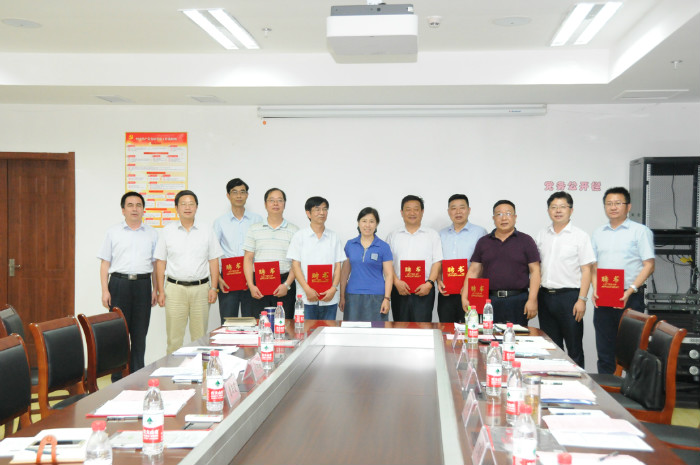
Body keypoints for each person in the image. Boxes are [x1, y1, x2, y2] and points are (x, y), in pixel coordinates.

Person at [591, 186, 655, 374]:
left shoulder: (640, 231)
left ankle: (630, 390)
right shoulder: (598, 233)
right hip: (604, 298)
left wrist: (630, 290)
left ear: (628, 206)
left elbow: (649, 265)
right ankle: (607, 389)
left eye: (618, 203)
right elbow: (594, 266)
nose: (613, 207)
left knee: (632, 352)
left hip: (630, 297)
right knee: (605, 351)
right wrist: (595, 288)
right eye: (609, 203)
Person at [98, 191, 158, 373]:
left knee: (140, 334)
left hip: (143, 285)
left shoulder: (152, 234)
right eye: (130, 205)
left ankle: (137, 373)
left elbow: (155, 265)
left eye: (138, 205)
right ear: (123, 210)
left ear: (143, 209)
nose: (134, 209)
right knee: (119, 333)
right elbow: (105, 263)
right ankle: (117, 376)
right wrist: (105, 290)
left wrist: (155, 289)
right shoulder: (112, 232)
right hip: (118, 284)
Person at [155, 190, 222, 354]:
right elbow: (161, 262)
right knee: (174, 338)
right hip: (174, 289)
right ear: (176, 208)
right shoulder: (167, 231)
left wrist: (214, 288)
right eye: (183, 204)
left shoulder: (207, 230)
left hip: (201, 289)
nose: (187, 207)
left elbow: (214, 260)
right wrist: (161, 291)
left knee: (199, 337)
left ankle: (199, 368)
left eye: (191, 204)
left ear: (196, 207)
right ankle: (172, 368)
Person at [535, 191, 595, 367]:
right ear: (548, 210)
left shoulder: (580, 236)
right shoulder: (542, 235)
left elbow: (587, 270)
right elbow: (536, 267)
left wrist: (582, 299)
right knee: (550, 347)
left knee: (574, 348)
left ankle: (579, 382)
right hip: (545, 297)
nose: (558, 210)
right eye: (553, 207)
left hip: (569, 298)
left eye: (562, 207)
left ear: (571, 210)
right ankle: (553, 380)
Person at [461, 200, 540, 327]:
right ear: (493, 218)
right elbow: (474, 271)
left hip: (518, 300)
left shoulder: (526, 240)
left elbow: (535, 271)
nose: (503, 218)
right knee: (489, 336)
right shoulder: (483, 242)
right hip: (489, 301)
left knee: (517, 336)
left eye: (508, 213)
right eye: (499, 214)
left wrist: (532, 299)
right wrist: (465, 296)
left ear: (515, 217)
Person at [242, 188, 299, 318]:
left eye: (279, 200)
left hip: (284, 283)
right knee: (260, 323)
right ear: (265, 204)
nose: (275, 203)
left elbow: (296, 262)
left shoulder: (294, 230)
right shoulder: (254, 229)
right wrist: (251, 285)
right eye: (271, 200)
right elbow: (248, 259)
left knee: (285, 325)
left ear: (284, 204)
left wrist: (287, 285)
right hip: (259, 284)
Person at [287, 196, 346, 320]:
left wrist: (333, 288)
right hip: (305, 297)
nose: (322, 212)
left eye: (325, 209)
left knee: (328, 331)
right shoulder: (299, 236)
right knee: (305, 331)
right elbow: (295, 266)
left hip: (329, 298)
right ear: (308, 213)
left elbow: (338, 266)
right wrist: (307, 289)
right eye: (317, 209)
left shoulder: (334, 236)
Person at [213, 178, 263, 323]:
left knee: (253, 321)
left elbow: (262, 248)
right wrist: (218, 278)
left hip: (252, 278)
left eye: (242, 192)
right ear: (228, 196)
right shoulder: (220, 222)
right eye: (234, 192)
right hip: (228, 278)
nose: (239, 195)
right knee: (228, 321)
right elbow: (213, 252)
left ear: (247, 195)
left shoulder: (257, 220)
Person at [386, 195, 442, 322]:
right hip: (399, 289)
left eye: (416, 209)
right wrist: (396, 282)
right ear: (402, 212)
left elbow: (437, 262)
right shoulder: (393, 236)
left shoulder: (432, 235)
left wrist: (429, 283)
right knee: (400, 327)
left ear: (422, 212)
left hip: (425, 290)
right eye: (408, 209)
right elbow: (388, 264)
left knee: (423, 328)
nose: (412, 213)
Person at [437, 194, 487, 323]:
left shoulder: (480, 232)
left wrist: (472, 284)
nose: (458, 212)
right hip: (447, 292)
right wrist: (438, 280)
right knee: (446, 329)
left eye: (462, 207)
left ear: (469, 210)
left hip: (472, 292)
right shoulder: (441, 234)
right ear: (448, 211)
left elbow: (484, 263)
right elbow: (437, 261)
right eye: (453, 208)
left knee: (471, 329)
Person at [339, 207, 394, 321]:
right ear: (358, 223)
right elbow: (344, 274)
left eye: (371, 221)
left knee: (376, 330)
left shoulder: (383, 247)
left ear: (376, 224)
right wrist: (342, 296)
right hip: (353, 295)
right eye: (364, 221)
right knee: (352, 330)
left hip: (377, 297)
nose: (367, 225)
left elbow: (389, 275)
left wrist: (386, 299)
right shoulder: (350, 244)